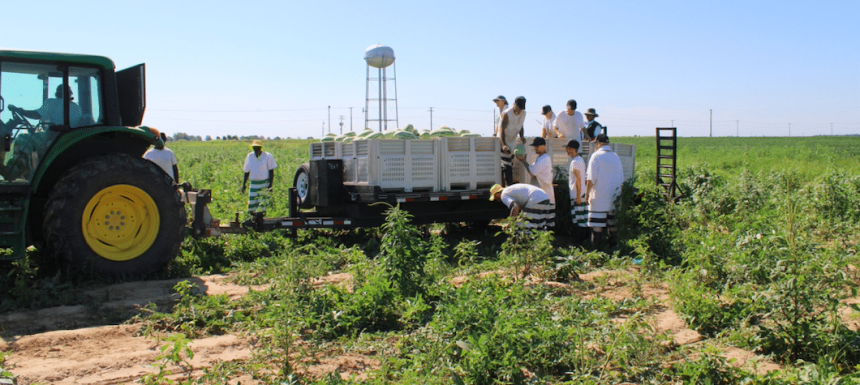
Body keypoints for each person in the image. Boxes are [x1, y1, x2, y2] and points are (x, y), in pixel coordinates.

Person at [585, 134, 624, 250]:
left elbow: (591, 179)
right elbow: (622, 180)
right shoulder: (616, 157)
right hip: (614, 199)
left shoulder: (596, 156)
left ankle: (595, 251)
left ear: (599, 144)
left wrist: (587, 195)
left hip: (599, 198)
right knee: (612, 226)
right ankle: (613, 250)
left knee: (597, 225)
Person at [516, 137, 556, 228]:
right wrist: (524, 161)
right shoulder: (541, 158)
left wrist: (524, 161)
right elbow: (532, 170)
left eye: (537, 146)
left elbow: (532, 172)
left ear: (543, 146)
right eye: (535, 146)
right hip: (543, 194)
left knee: (544, 223)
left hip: (544, 195)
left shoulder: (544, 158)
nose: (535, 148)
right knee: (543, 222)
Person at [8, 84, 82, 128]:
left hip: (57, 137)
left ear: (58, 93)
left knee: (21, 139)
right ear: (70, 94)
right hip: (67, 136)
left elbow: (36, 115)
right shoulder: (77, 107)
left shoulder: (52, 102)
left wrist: (21, 111)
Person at [489, 183, 554, 230]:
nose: (496, 199)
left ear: (497, 193)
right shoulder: (510, 190)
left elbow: (515, 207)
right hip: (545, 197)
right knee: (540, 226)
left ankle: (527, 246)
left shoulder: (503, 195)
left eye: (495, 197)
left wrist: (510, 223)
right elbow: (519, 208)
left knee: (525, 226)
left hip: (535, 199)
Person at [241, 140, 277, 216]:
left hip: (264, 183)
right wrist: (243, 185)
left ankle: (262, 220)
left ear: (261, 148)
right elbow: (246, 171)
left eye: (257, 148)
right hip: (253, 183)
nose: (256, 149)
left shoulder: (267, 156)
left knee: (263, 204)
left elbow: (271, 171)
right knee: (252, 204)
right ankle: (252, 219)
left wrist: (270, 185)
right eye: (254, 148)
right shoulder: (250, 156)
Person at [498, 96, 526, 186]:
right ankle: (508, 186)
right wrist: (503, 145)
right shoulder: (507, 113)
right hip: (504, 140)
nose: (519, 111)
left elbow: (521, 125)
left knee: (511, 163)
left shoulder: (523, 113)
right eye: (518, 109)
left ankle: (507, 184)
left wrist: (522, 136)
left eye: (521, 109)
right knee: (507, 166)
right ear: (514, 105)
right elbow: (501, 129)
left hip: (513, 140)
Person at [566, 139, 588, 243]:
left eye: (567, 148)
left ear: (572, 149)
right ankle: (583, 242)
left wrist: (578, 196)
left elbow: (578, 179)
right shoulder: (579, 160)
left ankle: (579, 243)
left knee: (579, 220)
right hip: (580, 193)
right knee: (582, 219)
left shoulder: (575, 162)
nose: (566, 150)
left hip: (577, 194)